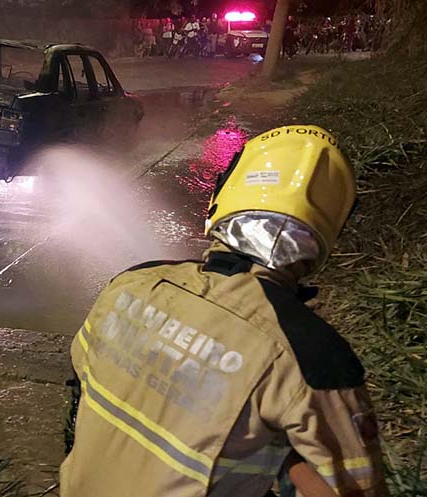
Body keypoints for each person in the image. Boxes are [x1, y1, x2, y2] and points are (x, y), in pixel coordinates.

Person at [59, 125, 390, 497]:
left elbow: (80, 390)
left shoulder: (131, 284)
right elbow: (355, 488)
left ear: (221, 197)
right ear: (326, 233)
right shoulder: (313, 355)